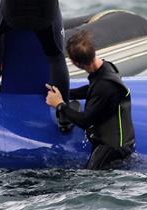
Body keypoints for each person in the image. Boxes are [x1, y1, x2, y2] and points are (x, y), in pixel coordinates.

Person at [45, 29, 135, 170]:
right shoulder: (106, 67)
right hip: (121, 141)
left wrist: (59, 104)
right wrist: (65, 94)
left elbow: (85, 121)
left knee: (88, 175)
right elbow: (93, 91)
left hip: (112, 147)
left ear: (76, 64)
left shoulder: (105, 86)